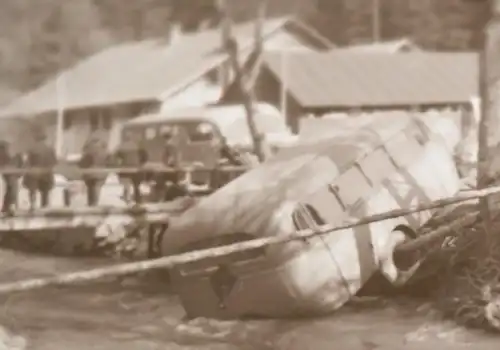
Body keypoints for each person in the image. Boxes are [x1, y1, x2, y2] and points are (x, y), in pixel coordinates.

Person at [24, 135, 57, 208]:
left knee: (32, 190)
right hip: (45, 172)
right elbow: (54, 162)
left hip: (34, 172)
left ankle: (32, 205)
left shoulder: (32, 149)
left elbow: (28, 162)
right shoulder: (50, 149)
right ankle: (44, 206)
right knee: (45, 192)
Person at [115, 135, 148, 203]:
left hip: (126, 168)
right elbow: (145, 157)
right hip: (136, 168)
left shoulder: (121, 146)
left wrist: (119, 165)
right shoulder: (138, 146)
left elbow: (115, 157)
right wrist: (141, 164)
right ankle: (137, 199)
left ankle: (127, 198)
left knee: (127, 184)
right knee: (136, 185)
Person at [80, 134, 108, 206]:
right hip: (100, 172)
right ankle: (95, 202)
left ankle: (91, 202)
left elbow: (84, 161)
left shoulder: (89, 150)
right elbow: (107, 161)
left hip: (89, 172)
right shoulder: (104, 151)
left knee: (90, 187)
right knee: (97, 187)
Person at [0, 141, 14, 214]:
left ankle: (6, 207)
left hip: (6, 177)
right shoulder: (4, 155)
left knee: (8, 191)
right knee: (7, 191)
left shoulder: (5, 155)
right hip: (5, 177)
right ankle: (6, 207)